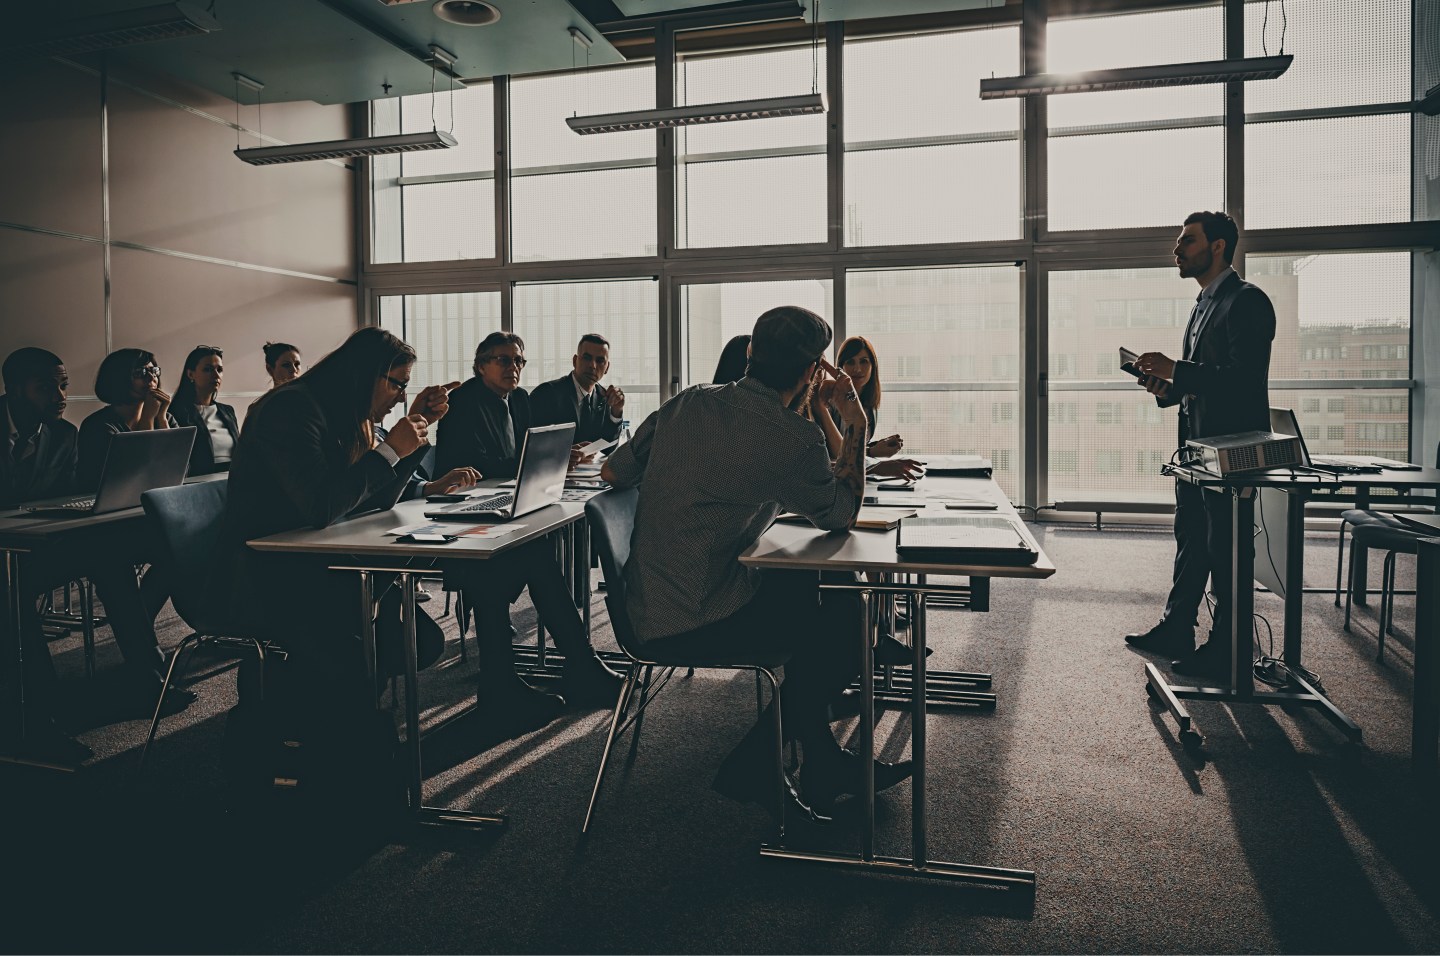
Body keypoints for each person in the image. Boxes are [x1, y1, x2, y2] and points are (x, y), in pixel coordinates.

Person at [602, 306, 913, 820]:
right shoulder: (792, 438)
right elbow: (840, 515)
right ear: (814, 372)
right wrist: (852, 420)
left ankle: (820, 760)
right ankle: (756, 764)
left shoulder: (686, 402)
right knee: (847, 622)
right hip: (697, 612)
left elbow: (615, 472)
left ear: (750, 353)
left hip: (647, 602)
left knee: (817, 586)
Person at [1, 349, 191, 763]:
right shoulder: (80, 429)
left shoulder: (63, 434)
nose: (59, 394)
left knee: (111, 558)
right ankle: (39, 719)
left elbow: (67, 494)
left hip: (31, 548)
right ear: (14, 390)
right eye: (45, 386)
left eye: (63, 384)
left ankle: (147, 681)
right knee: (10, 594)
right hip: (9, 558)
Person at [432, 332, 624, 720]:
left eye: (518, 361)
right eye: (503, 360)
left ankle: (536, 674)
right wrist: (531, 465)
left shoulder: (519, 399)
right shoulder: (463, 404)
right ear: (481, 364)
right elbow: (471, 465)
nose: (513, 368)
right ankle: (560, 670)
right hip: (457, 515)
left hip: (505, 506)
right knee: (529, 561)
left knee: (538, 555)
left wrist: (551, 460)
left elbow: (522, 454)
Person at [1125, 211, 1276, 681]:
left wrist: (1179, 369)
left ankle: (1229, 648)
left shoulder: (1247, 301)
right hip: (1197, 453)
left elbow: (1245, 380)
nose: (1177, 250)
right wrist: (1168, 388)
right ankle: (1177, 628)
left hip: (1230, 456)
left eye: (1187, 241)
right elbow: (1202, 380)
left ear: (1217, 246)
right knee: (1191, 539)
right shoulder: (1203, 304)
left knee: (1227, 552)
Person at [76, 348, 178, 493]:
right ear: (118, 379)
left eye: (153, 370)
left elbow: (179, 468)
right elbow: (138, 474)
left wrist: (161, 419)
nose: (151, 378)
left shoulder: (165, 418)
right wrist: (147, 418)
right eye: (140, 373)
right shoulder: (98, 426)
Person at [528, 333, 625, 468]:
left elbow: (607, 449)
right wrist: (562, 453)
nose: (593, 365)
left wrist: (617, 411)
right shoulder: (546, 394)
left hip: (588, 479)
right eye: (587, 358)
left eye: (600, 361)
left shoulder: (604, 396)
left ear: (607, 367)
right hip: (551, 474)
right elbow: (532, 445)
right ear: (575, 361)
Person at [170, 345, 239, 475]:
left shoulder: (227, 411)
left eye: (220, 369)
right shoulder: (176, 412)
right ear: (191, 374)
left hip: (232, 476)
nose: (216, 374)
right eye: (208, 369)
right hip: (198, 480)